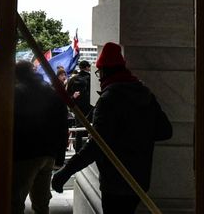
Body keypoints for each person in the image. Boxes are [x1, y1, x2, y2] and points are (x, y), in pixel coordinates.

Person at [51, 42, 172, 214]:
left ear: (106, 71)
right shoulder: (144, 93)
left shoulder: (109, 99)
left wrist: (65, 172)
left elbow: (96, 145)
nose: (99, 78)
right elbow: (165, 131)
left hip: (115, 181)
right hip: (139, 179)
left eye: (99, 73)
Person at [11, 61, 70, 213]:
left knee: (15, 202)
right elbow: (62, 126)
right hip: (48, 154)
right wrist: (60, 156)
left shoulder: (15, 93)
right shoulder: (52, 92)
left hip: (23, 154)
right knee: (42, 202)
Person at [66, 60, 93, 150]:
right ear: (87, 67)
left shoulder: (73, 79)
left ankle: (77, 149)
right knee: (91, 128)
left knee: (79, 128)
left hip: (77, 107)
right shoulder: (91, 78)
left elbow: (68, 93)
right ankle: (89, 149)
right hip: (90, 107)